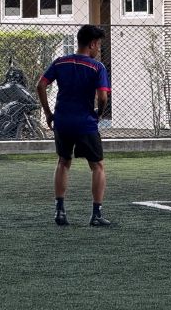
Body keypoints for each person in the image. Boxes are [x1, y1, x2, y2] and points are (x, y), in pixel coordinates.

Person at [36, 25, 111, 227]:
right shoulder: (97, 67)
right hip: (85, 123)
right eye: (98, 45)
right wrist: (99, 113)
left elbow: (40, 85)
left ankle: (60, 211)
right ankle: (96, 214)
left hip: (62, 121)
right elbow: (103, 97)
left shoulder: (60, 62)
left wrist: (48, 113)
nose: (99, 49)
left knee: (63, 162)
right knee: (97, 166)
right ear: (92, 44)